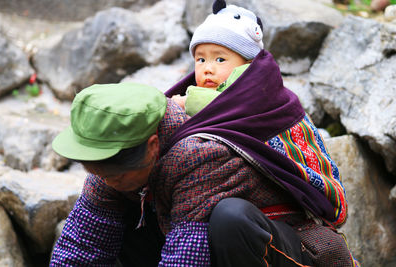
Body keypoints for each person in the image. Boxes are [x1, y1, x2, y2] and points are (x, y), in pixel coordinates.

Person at [50, 2, 359, 267]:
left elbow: (186, 255)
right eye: (201, 59)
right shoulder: (112, 152)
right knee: (119, 219)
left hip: (289, 245)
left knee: (230, 220)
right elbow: (85, 240)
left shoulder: (202, 150)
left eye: (220, 59)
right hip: (197, 229)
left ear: (152, 146)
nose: (208, 69)